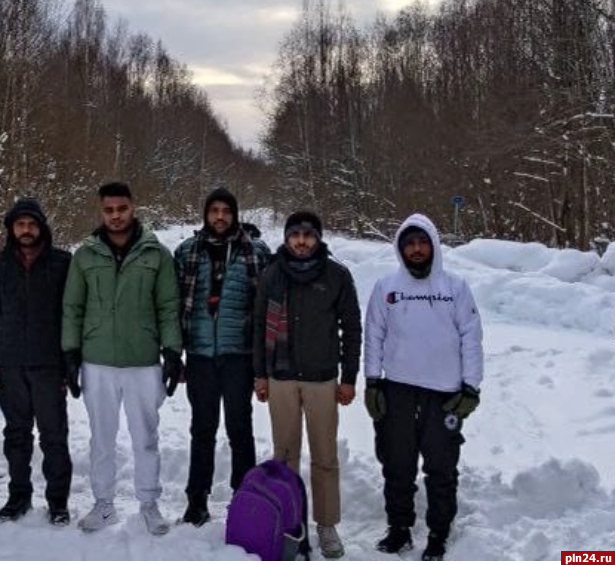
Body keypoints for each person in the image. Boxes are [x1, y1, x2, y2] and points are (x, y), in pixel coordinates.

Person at [62, 181, 182, 536]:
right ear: (101, 211)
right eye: (109, 210)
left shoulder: (156, 255)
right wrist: (70, 353)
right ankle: (103, 505)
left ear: (133, 207)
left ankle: (149, 503)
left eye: (122, 209)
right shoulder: (85, 255)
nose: (115, 216)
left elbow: (168, 306)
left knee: (145, 436)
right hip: (97, 361)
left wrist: (172, 351)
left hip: (143, 362)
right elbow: (72, 308)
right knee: (102, 437)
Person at [364, 214, 484, 562]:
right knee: (397, 465)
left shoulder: (455, 288)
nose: (416, 249)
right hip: (397, 390)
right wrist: (372, 381)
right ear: (401, 248)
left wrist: (471, 388)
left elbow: (471, 339)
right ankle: (399, 529)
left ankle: (438, 532)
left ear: (433, 244)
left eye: (422, 242)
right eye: (409, 243)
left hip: (444, 395)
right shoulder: (387, 287)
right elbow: (374, 335)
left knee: (441, 468)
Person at [253, 210, 361, 560]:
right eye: (295, 235)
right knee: (284, 458)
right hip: (281, 379)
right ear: (286, 238)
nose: (301, 241)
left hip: (322, 379)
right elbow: (257, 329)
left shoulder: (336, 276)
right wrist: (260, 374)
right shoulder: (272, 274)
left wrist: (349, 378)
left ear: (318, 238)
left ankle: (326, 524)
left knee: (325, 457)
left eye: (308, 235)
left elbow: (352, 329)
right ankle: (288, 520)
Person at [0, 196, 74, 523]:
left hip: (48, 365)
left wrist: (69, 362)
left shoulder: (61, 262)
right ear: (11, 229)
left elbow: (71, 315)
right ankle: (19, 497)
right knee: (16, 434)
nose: (27, 230)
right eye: (20, 225)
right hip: (11, 363)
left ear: (42, 227)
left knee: (54, 436)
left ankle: (58, 501)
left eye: (32, 224)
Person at [174, 186, 268, 525]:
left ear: (235, 214)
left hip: (237, 355)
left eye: (225, 211)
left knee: (239, 428)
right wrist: (175, 353)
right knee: (202, 428)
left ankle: (245, 497)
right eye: (213, 210)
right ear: (205, 214)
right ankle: (196, 498)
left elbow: (266, 310)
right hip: (200, 353)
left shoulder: (254, 252)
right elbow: (174, 307)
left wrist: (263, 361)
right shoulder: (187, 251)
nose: (219, 217)